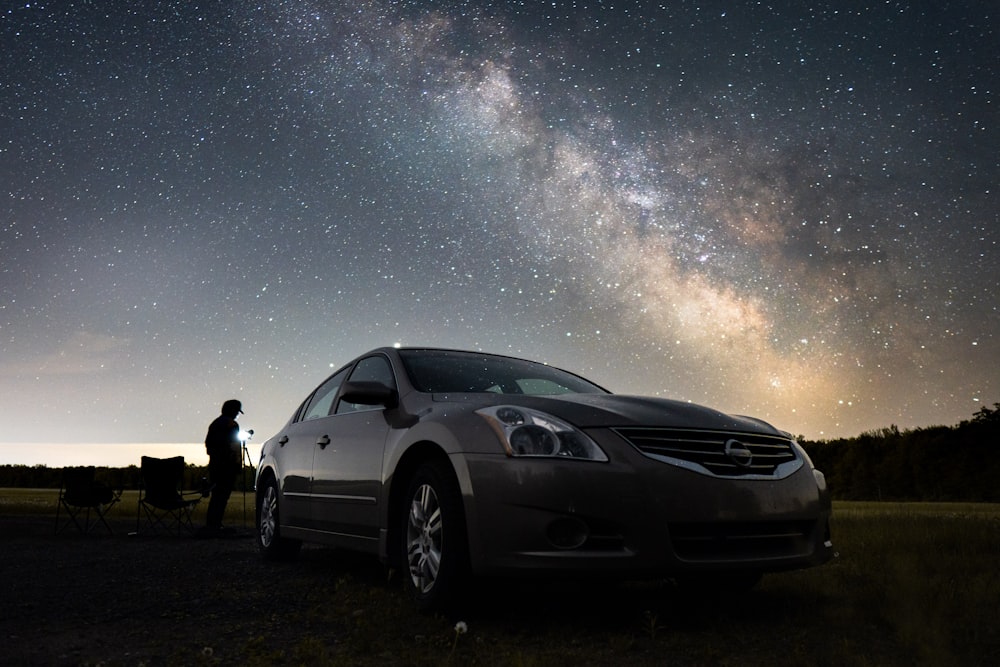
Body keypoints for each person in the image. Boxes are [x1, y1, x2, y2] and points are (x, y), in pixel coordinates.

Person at [203, 399, 244, 536]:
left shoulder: (215, 424)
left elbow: (208, 445)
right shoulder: (232, 424)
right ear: (233, 410)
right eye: (237, 412)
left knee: (216, 496)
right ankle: (216, 525)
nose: (238, 415)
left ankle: (211, 525)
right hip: (227, 467)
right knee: (222, 496)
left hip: (215, 466)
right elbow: (234, 446)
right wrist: (237, 465)